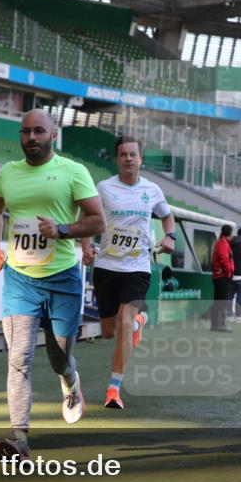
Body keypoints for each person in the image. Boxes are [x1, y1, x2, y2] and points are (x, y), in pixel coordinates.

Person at [0, 108, 106, 461]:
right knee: (19, 359)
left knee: (58, 357)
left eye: (39, 131)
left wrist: (64, 230)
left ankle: (70, 381)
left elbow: (97, 219)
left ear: (53, 134)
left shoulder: (73, 172)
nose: (32, 138)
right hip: (20, 280)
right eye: (26, 132)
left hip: (63, 279)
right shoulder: (8, 174)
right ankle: (19, 438)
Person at [81, 135, 175, 410]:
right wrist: (86, 247)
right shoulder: (104, 188)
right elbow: (88, 218)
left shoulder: (152, 190)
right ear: (117, 159)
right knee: (109, 331)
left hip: (137, 267)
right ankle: (137, 324)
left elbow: (167, 216)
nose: (128, 158)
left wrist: (170, 236)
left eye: (133, 154)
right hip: (107, 266)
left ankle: (114, 389)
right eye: (123, 154)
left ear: (141, 159)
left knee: (123, 322)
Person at [210, 224, 235, 332]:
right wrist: (229, 272)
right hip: (222, 276)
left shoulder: (220, 242)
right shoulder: (223, 244)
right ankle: (220, 325)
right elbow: (224, 259)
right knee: (221, 301)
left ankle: (216, 325)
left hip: (219, 276)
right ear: (230, 233)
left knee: (218, 301)